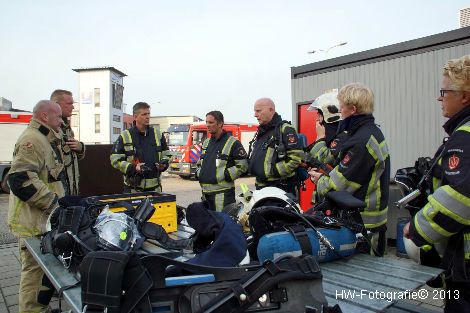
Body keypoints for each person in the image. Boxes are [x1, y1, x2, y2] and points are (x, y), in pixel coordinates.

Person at [403, 55, 470, 313]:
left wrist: (417, 228)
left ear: (464, 96)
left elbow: (460, 197)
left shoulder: (464, 137)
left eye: (444, 91)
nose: (439, 97)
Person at [308, 83, 390, 256]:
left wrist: (318, 180)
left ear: (352, 109)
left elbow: (338, 186)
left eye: (342, 106)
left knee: (363, 277)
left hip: (364, 226)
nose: (340, 111)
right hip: (367, 222)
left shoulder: (361, 141)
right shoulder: (367, 132)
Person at [8, 100, 65, 313]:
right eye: (58, 116)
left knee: (42, 274)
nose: (61, 121)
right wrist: (53, 203)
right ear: (44, 116)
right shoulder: (32, 140)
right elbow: (20, 179)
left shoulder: (44, 138)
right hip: (32, 223)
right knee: (34, 273)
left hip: (41, 221)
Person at [110, 102, 170, 193]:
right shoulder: (125, 135)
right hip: (133, 190)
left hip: (155, 190)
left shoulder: (157, 134)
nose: (147, 117)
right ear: (135, 116)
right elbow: (115, 160)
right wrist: (133, 168)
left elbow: (167, 154)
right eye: (144, 114)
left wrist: (164, 164)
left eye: (148, 114)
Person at [248, 98, 303, 196]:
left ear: (271, 110)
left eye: (258, 111)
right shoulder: (261, 132)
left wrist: (273, 171)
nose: (255, 114)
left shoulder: (285, 129)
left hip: (280, 189)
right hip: (261, 188)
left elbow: (295, 158)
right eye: (255, 111)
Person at [197, 111, 248, 211]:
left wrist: (225, 175)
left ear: (220, 124)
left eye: (211, 122)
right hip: (205, 194)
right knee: (210, 224)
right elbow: (200, 163)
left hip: (223, 195)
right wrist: (199, 173)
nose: (208, 125)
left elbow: (243, 165)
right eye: (206, 122)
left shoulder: (233, 142)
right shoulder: (206, 143)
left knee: (222, 223)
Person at [50, 89, 85, 195]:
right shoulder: (49, 129)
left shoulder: (66, 128)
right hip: (58, 193)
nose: (73, 107)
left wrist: (80, 147)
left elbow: (72, 156)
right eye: (69, 104)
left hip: (71, 190)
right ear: (56, 105)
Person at [307, 89, 343, 166]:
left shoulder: (343, 137)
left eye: (319, 115)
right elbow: (309, 158)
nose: (317, 119)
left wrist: (320, 137)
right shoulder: (329, 137)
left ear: (330, 116)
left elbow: (327, 162)